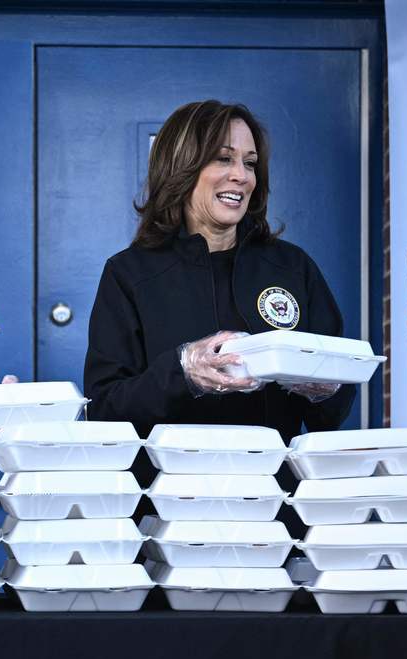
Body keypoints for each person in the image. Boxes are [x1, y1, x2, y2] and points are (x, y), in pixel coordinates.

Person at [83, 99, 354, 444]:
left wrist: (325, 389)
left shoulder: (292, 267)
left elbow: (329, 417)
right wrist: (182, 372)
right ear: (181, 167)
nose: (241, 176)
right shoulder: (129, 274)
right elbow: (105, 410)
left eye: (250, 163)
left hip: (270, 488)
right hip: (170, 491)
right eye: (223, 158)